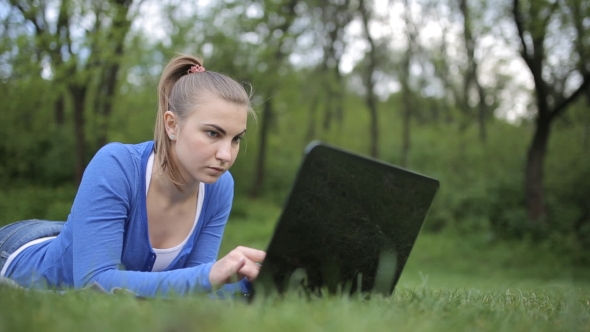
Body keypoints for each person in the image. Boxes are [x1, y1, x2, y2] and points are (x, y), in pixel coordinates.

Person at [0, 54, 266, 297]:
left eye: (235, 139)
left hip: (68, 235)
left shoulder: (219, 186)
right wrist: (209, 275)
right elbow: (94, 282)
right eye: (213, 133)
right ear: (172, 125)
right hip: (16, 249)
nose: (226, 155)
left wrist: (255, 282)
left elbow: (194, 289)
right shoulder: (116, 165)